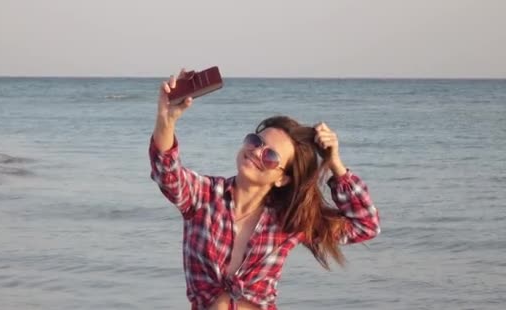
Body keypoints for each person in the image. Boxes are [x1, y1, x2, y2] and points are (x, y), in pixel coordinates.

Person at [149, 70, 381, 310]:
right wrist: (166, 119)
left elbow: (366, 225)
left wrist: (335, 163)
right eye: (254, 141)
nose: (256, 152)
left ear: (282, 179)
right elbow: (167, 173)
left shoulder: (287, 221)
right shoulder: (204, 197)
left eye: (270, 155)